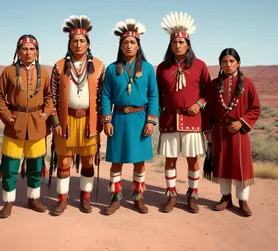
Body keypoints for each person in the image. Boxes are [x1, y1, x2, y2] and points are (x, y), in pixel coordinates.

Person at [101, 18, 159, 215]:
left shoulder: (149, 69)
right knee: (116, 160)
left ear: (138, 45)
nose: (129, 45)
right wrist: (106, 119)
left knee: (139, 161)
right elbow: (106, 96)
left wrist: (151, 120)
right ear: (120, 45)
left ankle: (138, 198)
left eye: (132, 42)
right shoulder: (111, 69)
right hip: (118, 119)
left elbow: (153, 95)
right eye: (125, 42)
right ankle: (115, 199)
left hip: (140, 118)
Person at [0, 34, 53, 218]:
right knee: (10, 166)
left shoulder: (44, 72)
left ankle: (33, 199)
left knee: (36, 166)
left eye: (31, 49)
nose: (28, 52)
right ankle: (8, 202)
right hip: (14, 124)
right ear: (18, 51)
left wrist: (46, 113)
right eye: (24, 49)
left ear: (37, 52)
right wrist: (7, 117)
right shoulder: (9, 71)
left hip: (37, 124)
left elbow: (50, 97)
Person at [50, 15, 105, 215]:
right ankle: (62, 198)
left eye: (82, 41)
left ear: (88, 44)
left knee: (88, 160)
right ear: (69, 43)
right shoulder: (58, 66)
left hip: (89, 120)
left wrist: (101, 121)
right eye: (75, 41)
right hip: (66, 121)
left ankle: (85, 197)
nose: (78, 44)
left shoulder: (99, 66)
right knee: (64, 160)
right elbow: (52, 97)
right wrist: (55, 121)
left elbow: (102, 97)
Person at [156, 12, 211, 213]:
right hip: (170, 119)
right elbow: (157, 94)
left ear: (188, 44)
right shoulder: (162, 68)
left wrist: (200, 103)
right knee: (170, 160)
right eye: (174, 42)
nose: (178, 45)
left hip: (192, 119)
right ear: (170, 45)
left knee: (192, 160)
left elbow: (207, 90)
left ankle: (192, 195)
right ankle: (171, 194)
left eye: (181, 42)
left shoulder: (200, 65)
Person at [202, 48, 261, 216]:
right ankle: (226, 198)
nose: (228, 65)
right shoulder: (214, 85)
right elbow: (207, 111)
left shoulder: (247, 84)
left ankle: (243, 200)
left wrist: (241, 122)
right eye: (225, 61)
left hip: (239, 133)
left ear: (238, 63)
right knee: (223, 164)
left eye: (232, 61)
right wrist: (208, 131)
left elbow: (255, 108)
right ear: (220, 64)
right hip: (219, 132)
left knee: (242, 167)